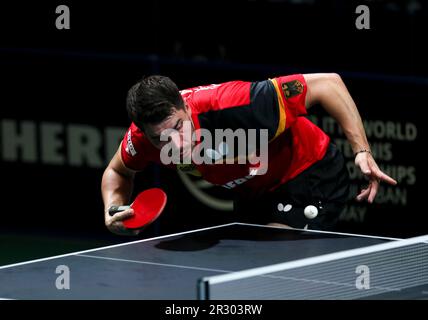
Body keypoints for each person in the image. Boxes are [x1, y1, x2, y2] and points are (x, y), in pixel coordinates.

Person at [101, 73, 397, 236]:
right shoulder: (140, 139)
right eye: (161, 138)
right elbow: (117, 172)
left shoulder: (236, 102)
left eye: (179, 127)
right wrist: (113, 209)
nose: (176, 144)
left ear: (186, 108)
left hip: (309, 171)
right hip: (253, 193)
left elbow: (328, 83)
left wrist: (361, 151)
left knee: (277, 257)